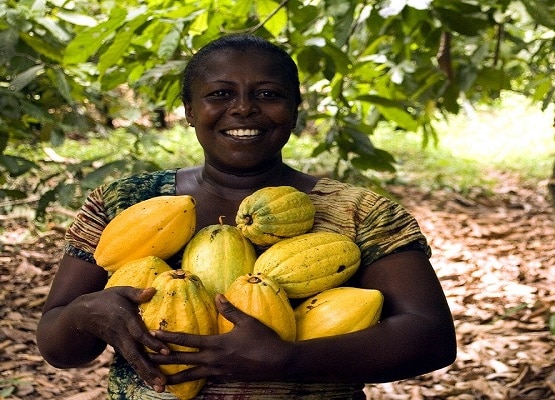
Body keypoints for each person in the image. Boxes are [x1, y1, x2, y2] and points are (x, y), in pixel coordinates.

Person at [36, 34, 457, 399]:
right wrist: (85, 315)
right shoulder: (124, 201)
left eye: (268, 94)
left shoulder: (362, 213)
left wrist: (289, 359)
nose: (243, 109)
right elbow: (57, 343)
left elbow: (432, 338)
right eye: (220, 94)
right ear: (188, 110)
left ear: (294, 108)